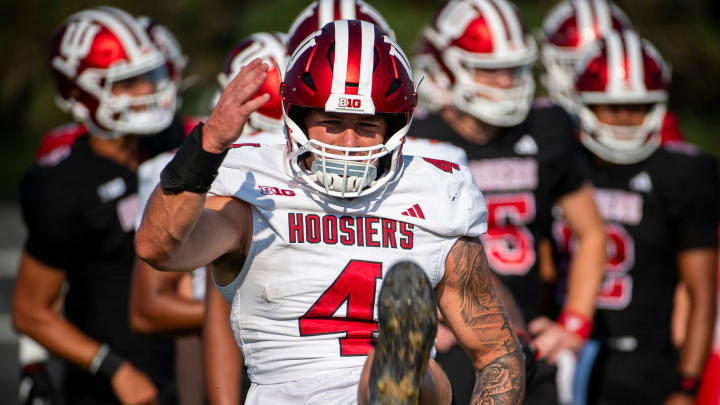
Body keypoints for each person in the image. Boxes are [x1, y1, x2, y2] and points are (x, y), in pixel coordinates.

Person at [136, 20, 525, 405]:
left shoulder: (435, 190)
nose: (349, 143)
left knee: (409, 372)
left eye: (366, 126)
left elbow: (497, 354)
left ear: (396, 124)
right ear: (297, 116)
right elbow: (158, 248)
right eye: (332, 123)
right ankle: (392, 370)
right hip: (290, 388)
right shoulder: (253, 189)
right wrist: (206, 145)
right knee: (403, 372)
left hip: (402, 390)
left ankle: (393, 369)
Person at [406, 0, 607, 404]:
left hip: (528, 332)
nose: (504, 81)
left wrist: (573, 324)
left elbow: (591, 233)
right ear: (447, 66)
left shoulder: (548, 127)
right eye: (489, 68)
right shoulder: (417, 138)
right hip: (452, 334)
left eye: (511, 68)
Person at [12, 7, 184, 405]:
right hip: (114, 387)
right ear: (79, 94)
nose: (146, 91)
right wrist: (113, 368)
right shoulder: (62, 183)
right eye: (127, 82)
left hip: (190, 365)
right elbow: (30, 311)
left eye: (148, 76)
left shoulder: (175, 141)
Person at [551, 29, 718, 405]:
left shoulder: (683, 174)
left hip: (643, 361)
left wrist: (686, 386)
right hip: (561, 347)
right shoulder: (562, 160)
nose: (624, 118)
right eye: (611, 106)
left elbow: (702, 292)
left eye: (637, 106)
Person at [539, 0, 684, 144]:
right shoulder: (538, 122)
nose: (581, 77)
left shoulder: (658, 131)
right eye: (572, 65)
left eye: (599, 68)